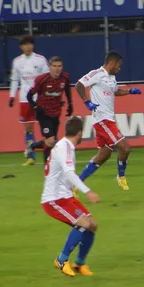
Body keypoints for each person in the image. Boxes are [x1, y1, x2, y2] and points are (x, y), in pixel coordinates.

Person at [42, 117, 101, 277]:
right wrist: (87, 191)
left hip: (65, 196)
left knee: (92, 225)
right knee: (83, 223)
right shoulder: (65, 147)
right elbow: (69, 173)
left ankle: (79, 264)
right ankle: (61, 260)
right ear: (80, 133)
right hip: (54, 199)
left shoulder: (64, 146)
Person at [75, 51, 143, 191]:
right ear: (111, 63)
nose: (120, 68)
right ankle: (121, 176)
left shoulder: (111, 78)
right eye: (119, 65)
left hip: (108, 120)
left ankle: (76, 184)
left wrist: (130, 91)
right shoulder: (96, 74)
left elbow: (114, 91)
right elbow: (79, 85)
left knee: (103, 156)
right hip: (102, 120)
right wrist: (87, 101)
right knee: (124, 147)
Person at [9, 35, 49, 166]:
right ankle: (31, 157)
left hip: (39, 98)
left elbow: (47, 78)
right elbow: (15, 80)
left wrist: (47, 94)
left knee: (46, 127)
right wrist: (12, 96)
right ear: (21, 47)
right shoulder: (17, 61)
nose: (27, 47)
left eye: (29, 44)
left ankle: (49, 154)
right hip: (25, 99)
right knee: (28, 127)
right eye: (25, 44)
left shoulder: (41, 60)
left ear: (33, 45)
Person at [26, 57, 73, 164]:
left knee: (51, 142)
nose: (57, 69)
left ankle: (35, 148)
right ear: (50, 67)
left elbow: (67, 91)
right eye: (54, 66)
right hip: (43, 113)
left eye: (59, 66)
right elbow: (29, 95)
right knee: (51, 140)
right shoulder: (42, 79)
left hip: (56, 112)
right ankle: (46, 165)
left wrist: (70, 105)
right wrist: (35, 107)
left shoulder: (64, 78)